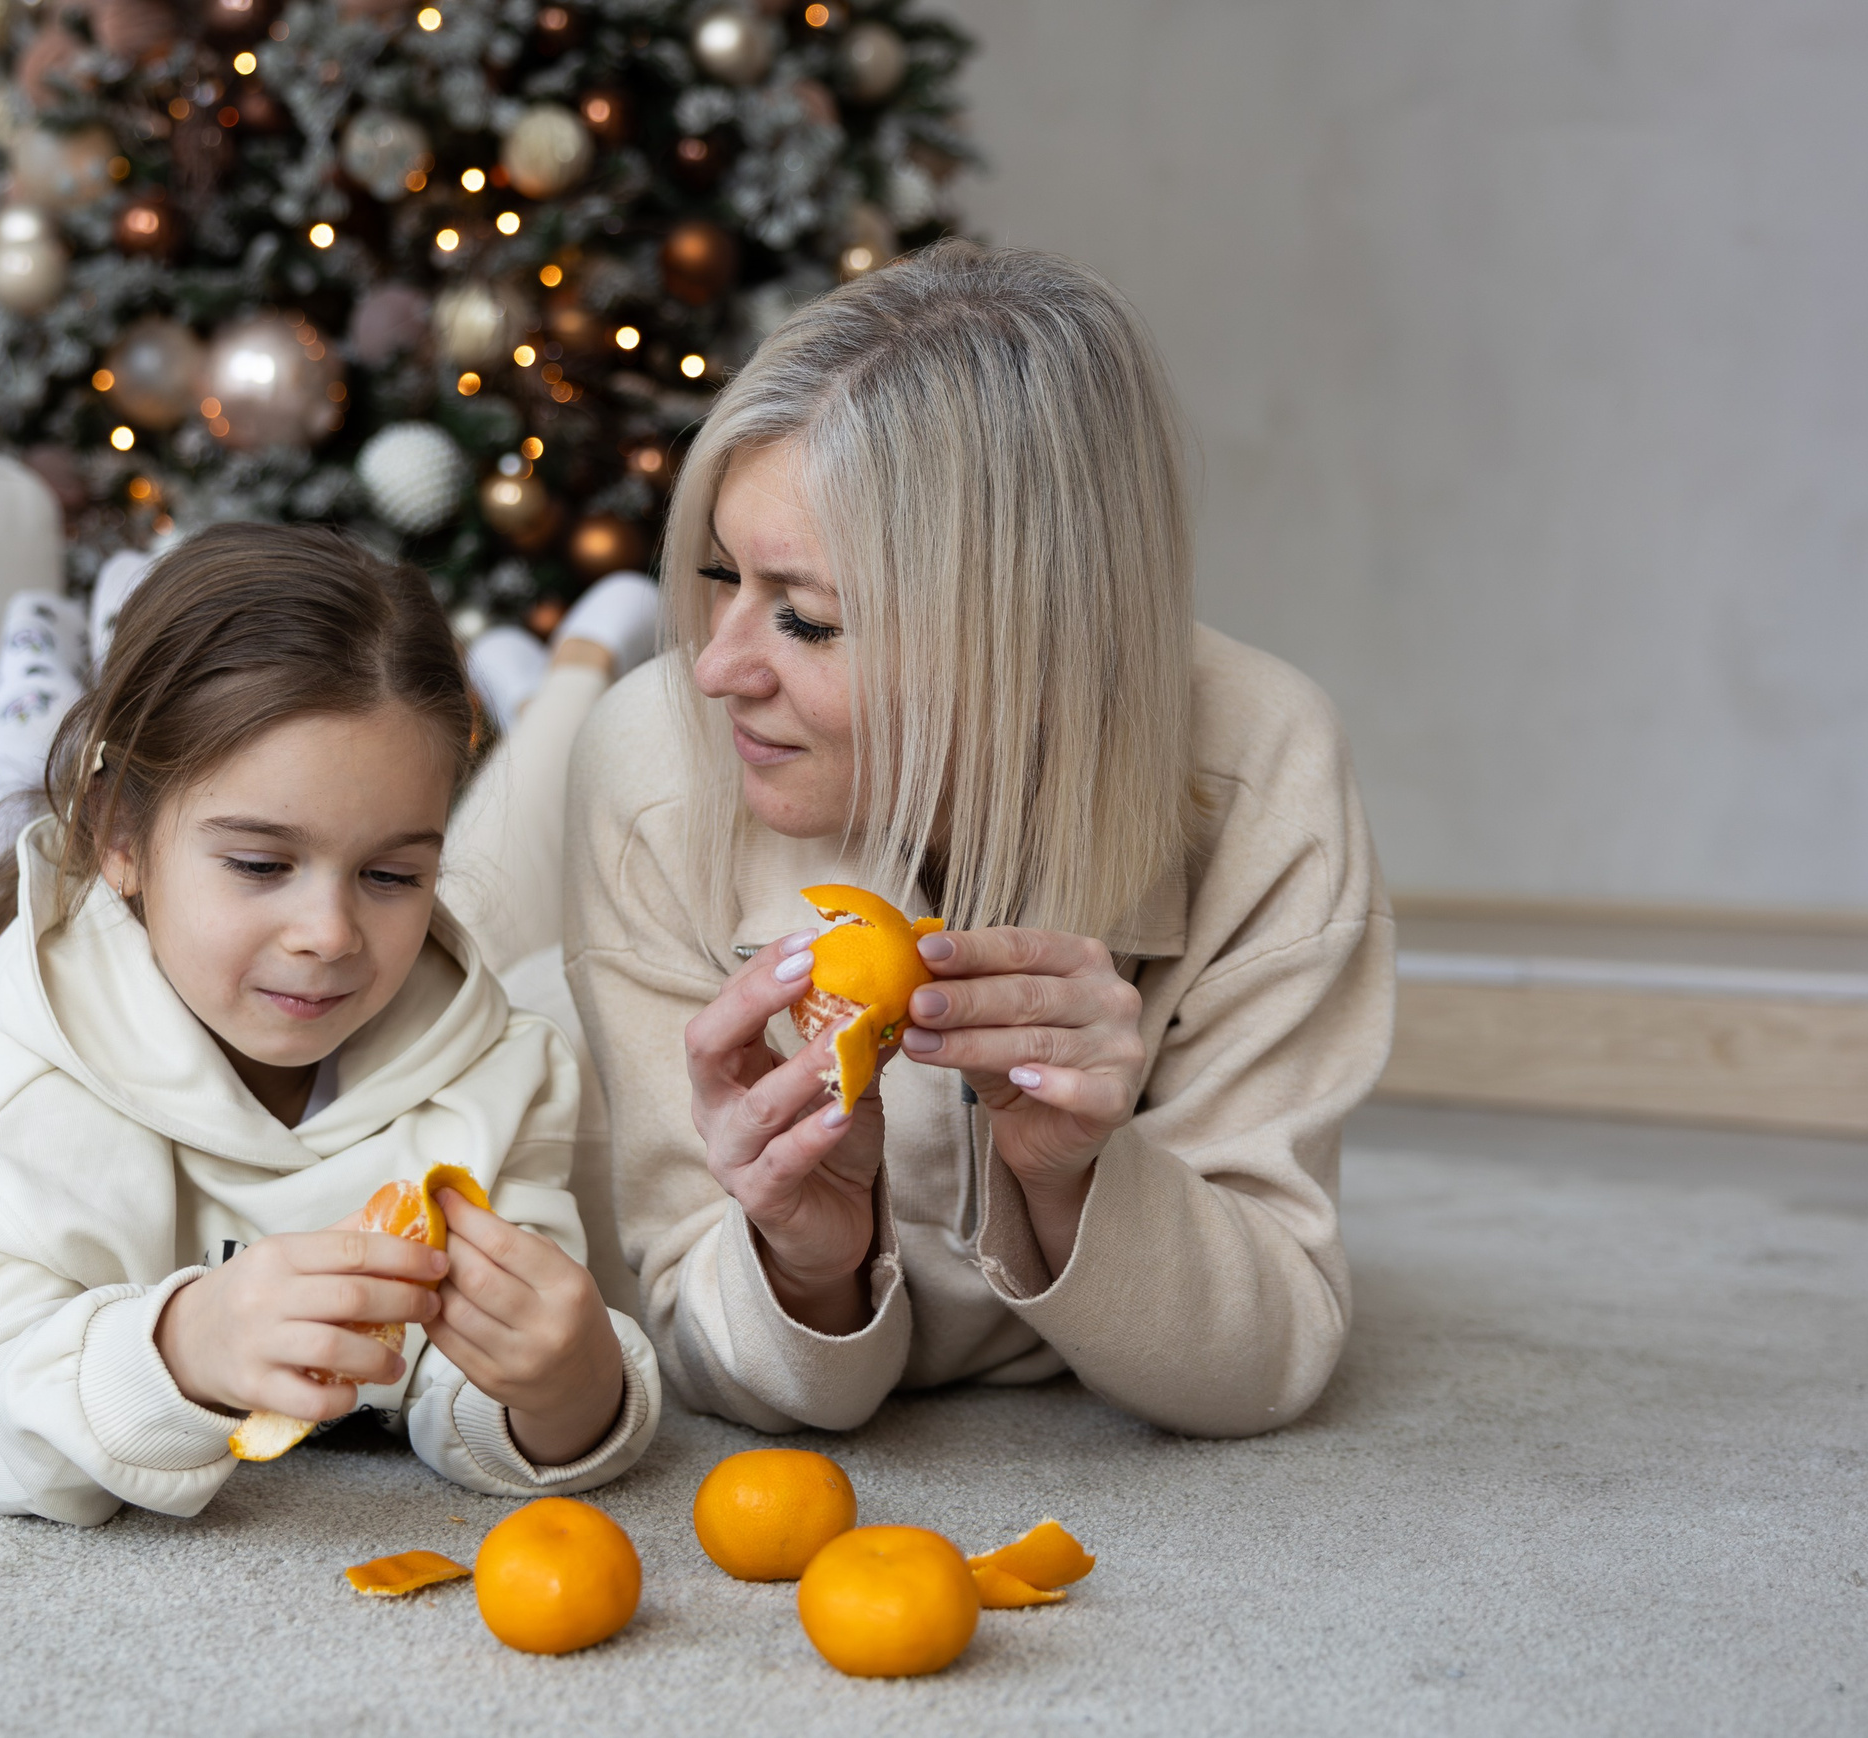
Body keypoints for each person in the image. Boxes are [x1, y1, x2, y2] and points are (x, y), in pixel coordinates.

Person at [559, 241, 1395, 1440]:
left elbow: (1261, 1361)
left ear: (1029, 642)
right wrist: (803, 1256)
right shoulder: (648, 758)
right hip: (543, 958)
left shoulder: (1260, 767)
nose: (715, 664)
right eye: (715, 577)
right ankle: (566, 665)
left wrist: (1074, 1174)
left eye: (804, 617)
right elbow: (704, 1334)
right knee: (500, 850)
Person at [0, 525, 661, 1526]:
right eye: (258, 864)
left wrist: (570, 1388)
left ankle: (553, 680)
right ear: (117, 835)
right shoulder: (5, 1087)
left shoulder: (498, 1075)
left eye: (391, 875)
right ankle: (18, 742)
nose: (328, 935)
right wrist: (183, 1346)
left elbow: (480, 1388)